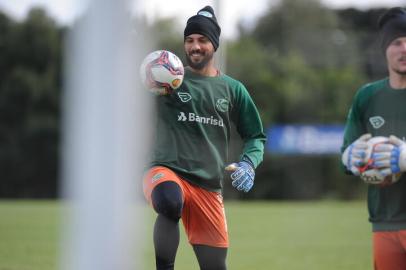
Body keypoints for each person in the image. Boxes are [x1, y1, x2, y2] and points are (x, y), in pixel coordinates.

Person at [142, 6, 266, 270]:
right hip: (165, 172)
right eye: (189, 40)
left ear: (215, 45)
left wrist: (248, 163)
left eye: (202, 40)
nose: (194, 46)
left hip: (208, 185)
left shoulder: (233, 89)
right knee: (169, 202)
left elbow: (255, 136)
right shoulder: (166, 80)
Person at [341, 7, 406, 270]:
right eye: (397, 42)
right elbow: (346, 152)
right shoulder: (367, 96)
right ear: (385, 49)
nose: (404, 49)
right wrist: (351, 158)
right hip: (384, 221)